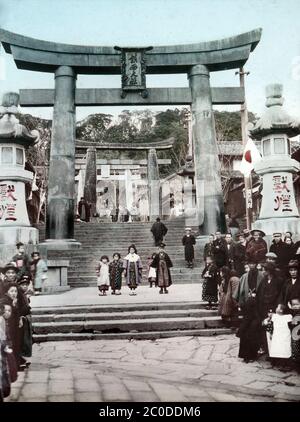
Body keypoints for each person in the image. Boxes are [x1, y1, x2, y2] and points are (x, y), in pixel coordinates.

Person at [236, 291, 262, 363]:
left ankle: (246, 357)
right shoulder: (255, 305)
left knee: (246, 341)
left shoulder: (249, 303)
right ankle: (252, 356)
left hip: (248, 326)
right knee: (252, 342)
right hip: (252, 325)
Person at [289, 297, 300, 372]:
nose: (295, 306)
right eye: (293, 304)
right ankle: (296, 366)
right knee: (295, 350)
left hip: (298, 334)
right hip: (294, 335)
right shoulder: (292, 313)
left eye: (297, 304)